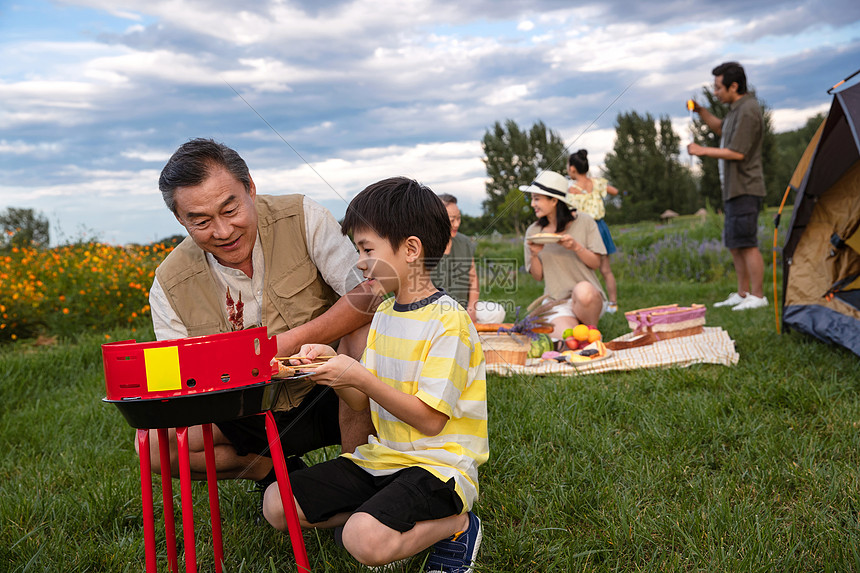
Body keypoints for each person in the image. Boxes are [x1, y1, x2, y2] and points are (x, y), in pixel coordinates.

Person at [263, 177, 488, 572]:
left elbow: (430, 420)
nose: (361, 261)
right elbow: (362, 401)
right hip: (383, 458)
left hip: (438, 467)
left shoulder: (448, 321)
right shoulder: (383, 313)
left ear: (411, 250)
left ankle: (458, 524)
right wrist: (333, 370)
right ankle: (380, 518)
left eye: (367, 249)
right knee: (277, 505)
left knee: (361, 539)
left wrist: (359, 376)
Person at [141, 138, 378, 487]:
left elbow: (368, 295)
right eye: (201, 221)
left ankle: (354, 478)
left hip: (331, 392)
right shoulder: (169, 282)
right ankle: (275, 475)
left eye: (230, 210)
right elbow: (179, 384)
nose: (223, 231)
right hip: (244, 409)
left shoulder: (302, 215)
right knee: (155, 447)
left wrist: (288, 342)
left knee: (362, 330)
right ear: (179, 218)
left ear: (250, 188)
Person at [687, 61, 768, 311]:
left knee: (747, 243)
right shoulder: (735, 109)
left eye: (718, 87)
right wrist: (701, 111)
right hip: (733, 189)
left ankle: (758, 296)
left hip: (746, 187)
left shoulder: (748, 110)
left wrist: (702, 150)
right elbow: (721, 128)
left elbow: (738, 152)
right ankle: (742, 294)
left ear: (734, 86)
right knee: (735, 244)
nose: (715, 92)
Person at [522, 170, 607, 338]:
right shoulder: (534, 231)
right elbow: (538, 276)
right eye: (532, 199)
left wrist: (576, 247)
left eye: (536, 199)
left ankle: (592, 332)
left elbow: (596, 263)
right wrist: (534, 254)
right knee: (569, 340)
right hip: (558, 303)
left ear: (554, 201)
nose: (533, 204)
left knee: (583, 291)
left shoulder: (584, 222)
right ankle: (581, 335)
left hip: (589, 299)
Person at [431, 193, 507, 325]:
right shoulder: (426, 245)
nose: (456, 224)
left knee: (497, 311)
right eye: (452, 219)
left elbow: (473, 278)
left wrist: (471, 310)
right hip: (434, 311)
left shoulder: (464, 242)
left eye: (459, 218)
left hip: (462, 307)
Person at [567, 149, 620, 313]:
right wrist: (597, 185)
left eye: (568, 167)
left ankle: (587, 301)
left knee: (584, 270)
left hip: (584, 230)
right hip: (601, 227)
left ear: (573, 169)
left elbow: (570, 212)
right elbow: (615, 191)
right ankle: (613, 303)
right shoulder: (597, 183)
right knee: (606, 269)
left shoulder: (572, 190)